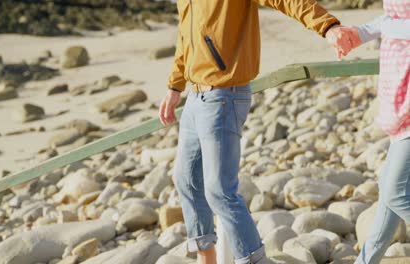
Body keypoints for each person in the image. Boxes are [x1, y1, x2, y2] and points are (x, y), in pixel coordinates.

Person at [158, 1, 353, 263]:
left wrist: (327, 26)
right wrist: (174, 87)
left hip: (223, 96)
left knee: (219, 190)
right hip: (194, 97)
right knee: (187, 180)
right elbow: (186, 35)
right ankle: (207, 258)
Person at [333, 2, 410, 264]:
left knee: (395, 192)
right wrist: (360, 33)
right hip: (401, 99)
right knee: (388, 192)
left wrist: (382, 28)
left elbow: (393, 23)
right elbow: (392, 18)